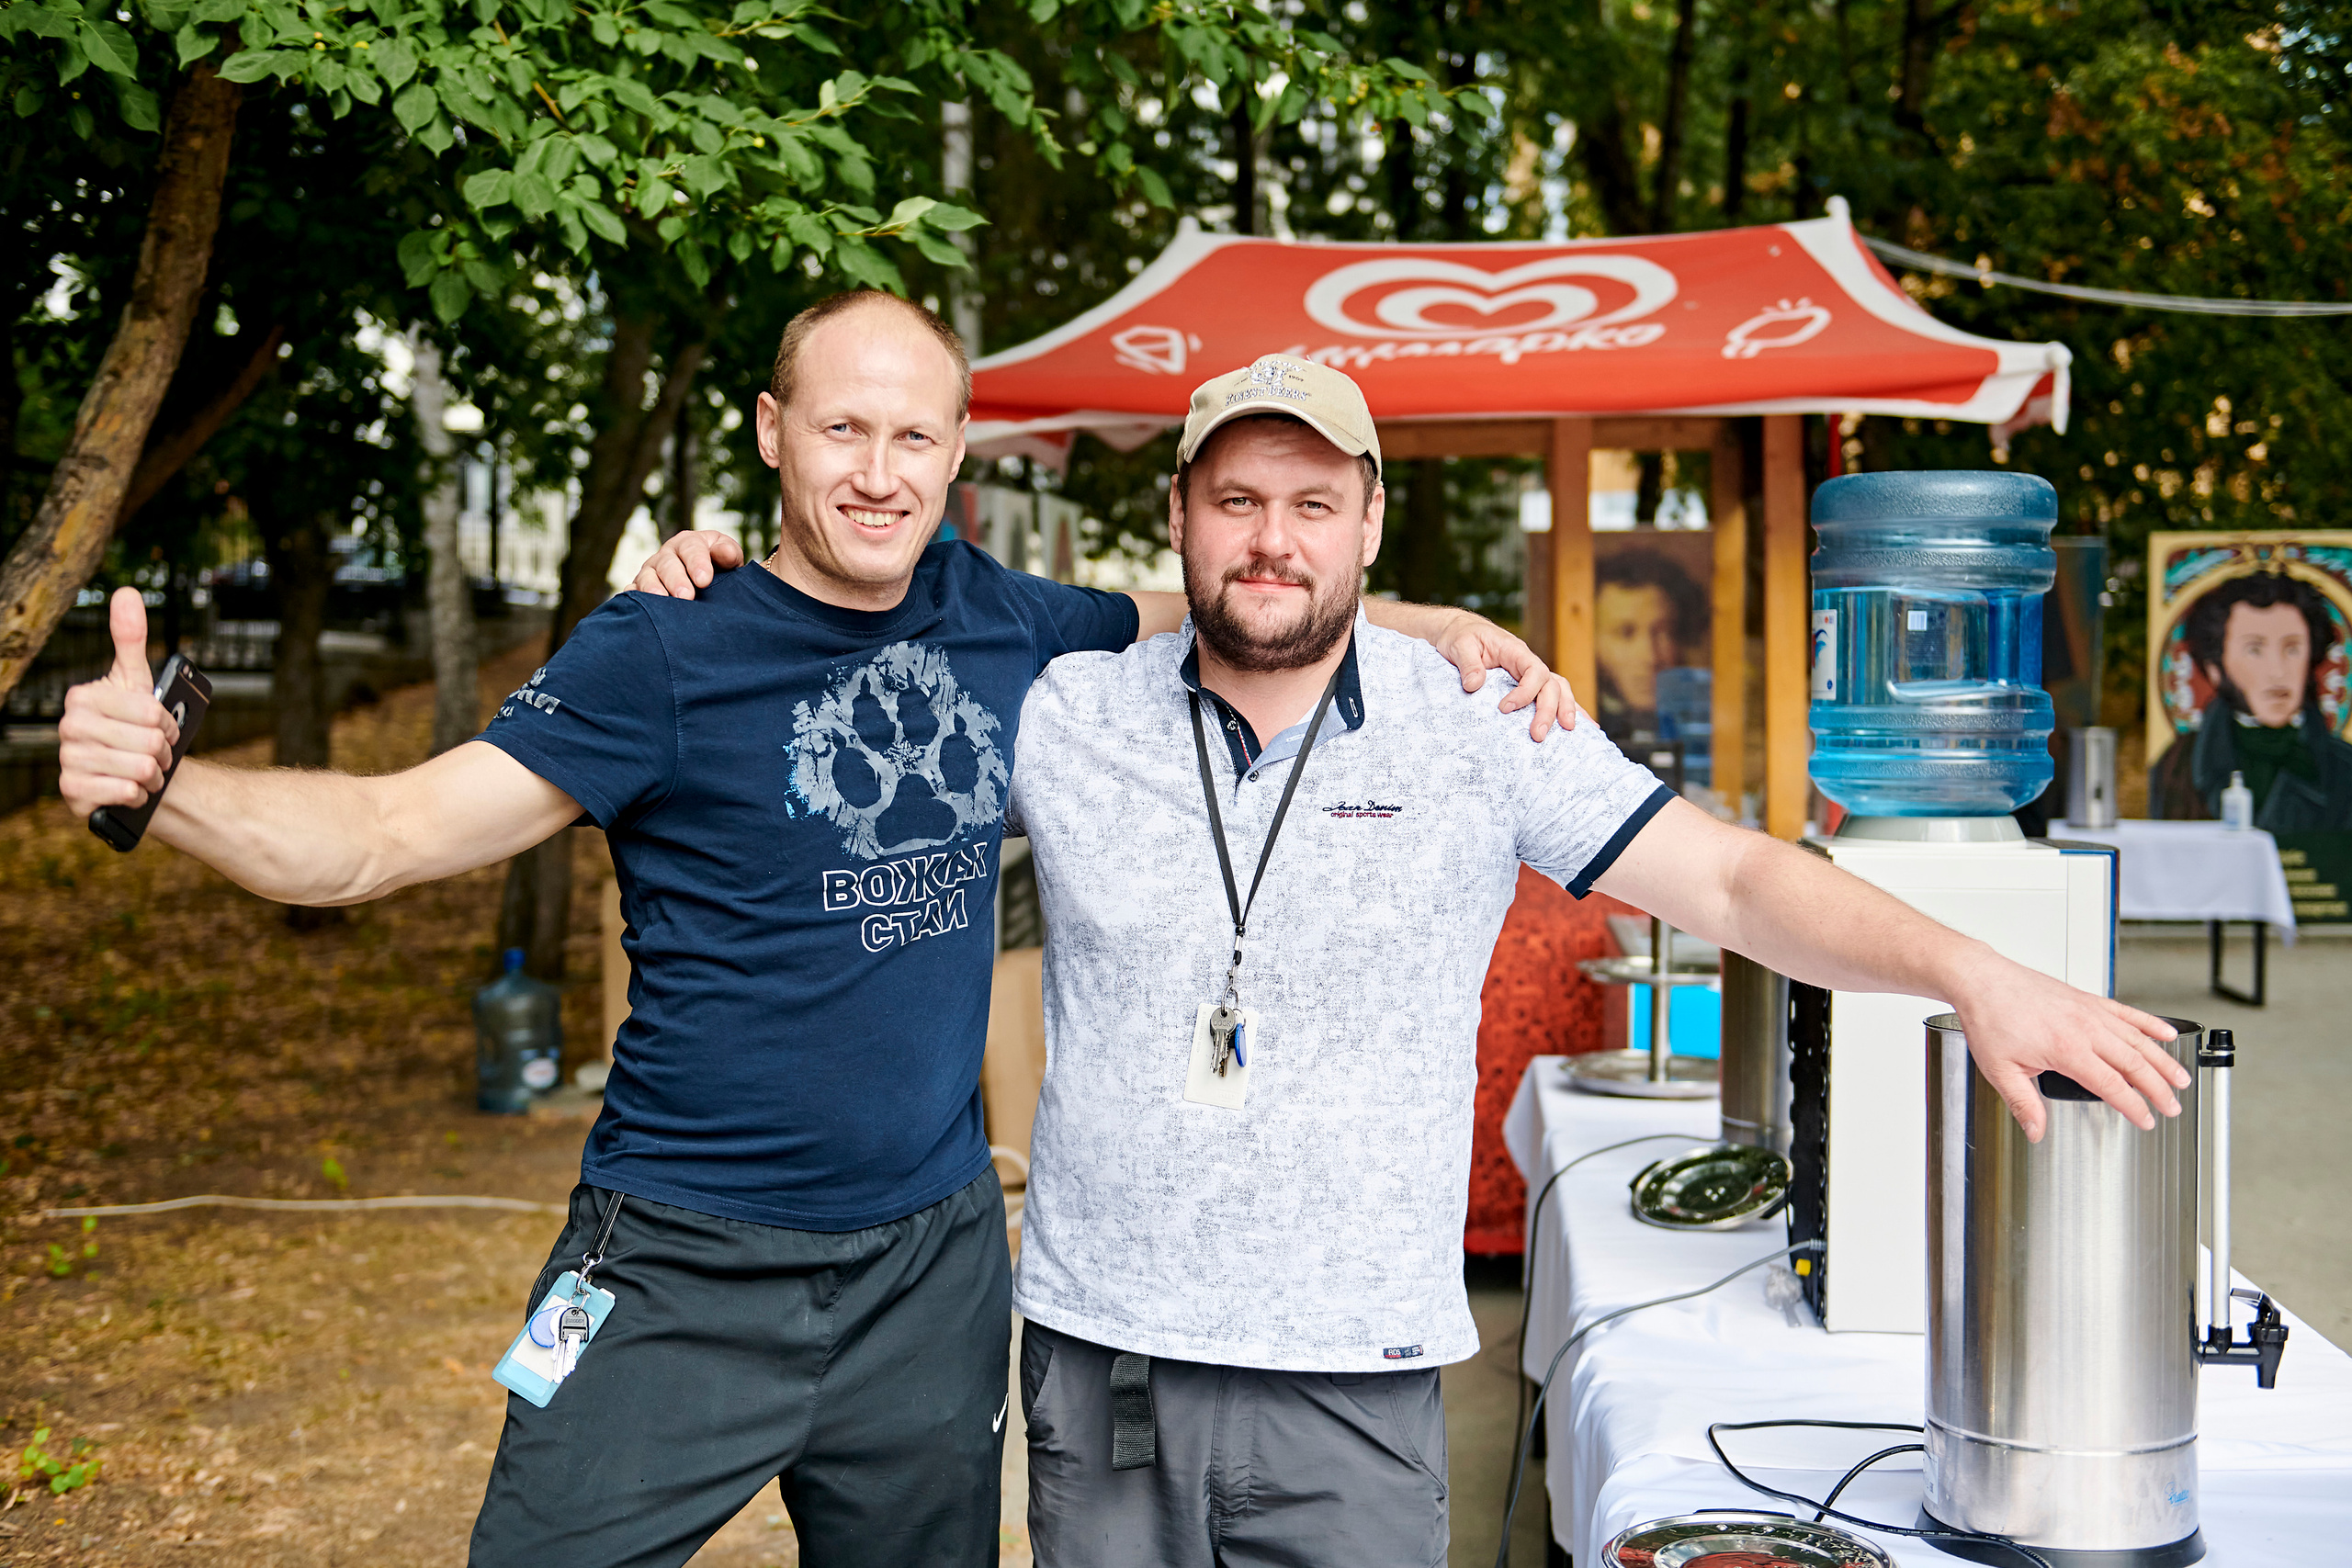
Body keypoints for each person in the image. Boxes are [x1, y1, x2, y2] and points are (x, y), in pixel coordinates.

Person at [53, 295, 1577, 1568]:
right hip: (666, 1269)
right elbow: (383, 833)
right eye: (844, 429)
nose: (878, 472)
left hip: (930, 1272)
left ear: (956, 453)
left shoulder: (999, 616)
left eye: (914, 436)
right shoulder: (664, 646)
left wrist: (1433, 628)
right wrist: (166, 784)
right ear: (773, 432)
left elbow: (1225, 603)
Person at [637, 354, 2190, 1568]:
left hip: (1357, 1377)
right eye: (1238, 499)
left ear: (1371, 523)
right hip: (1109, 1370)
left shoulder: (1478, 724)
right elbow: (830, 705)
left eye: (1314, 504)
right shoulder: (1069, 708)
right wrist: (724, 585)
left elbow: (1729, 873)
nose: (1273, 538)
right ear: (1179, 514)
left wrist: (1974, 972)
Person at [2149, 569, 2352, 829]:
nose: (2278, 671)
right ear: (2215, 668)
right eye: (2254, 650)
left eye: (2292, 648)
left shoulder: (2343, 767)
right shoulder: (2180, 765)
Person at [1592, 545, 1708, 747]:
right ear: (1593, 642)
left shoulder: (1704, 717)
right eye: (1625, 633)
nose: (1649, 656)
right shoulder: (1572, 726)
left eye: (1664, 632)